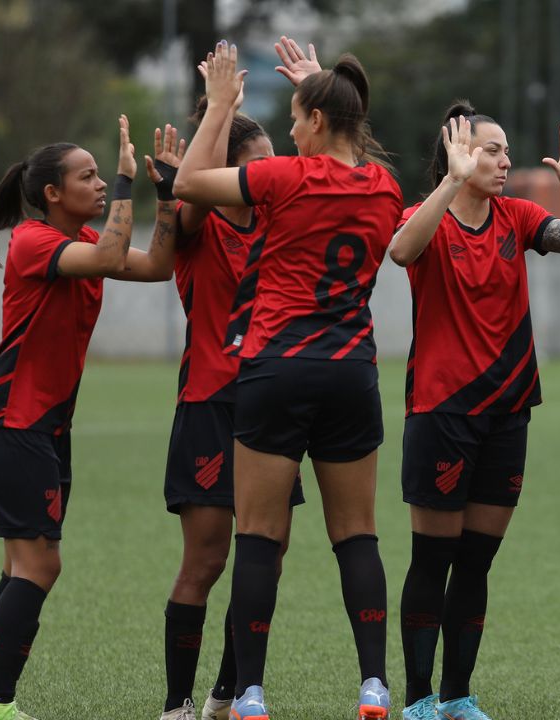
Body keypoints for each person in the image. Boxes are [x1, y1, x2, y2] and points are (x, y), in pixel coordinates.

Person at [172, 41, 403, 720]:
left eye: (300, 119)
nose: (293, 133)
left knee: (259, 537)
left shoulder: (281, 179)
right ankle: (373, 685)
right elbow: (357, 148)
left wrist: (218, 108)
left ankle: (248, 694)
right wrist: (321, 87)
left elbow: (186, 184)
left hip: (276, 368)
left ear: (319, 123)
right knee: (356, 534)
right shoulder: (384, 187)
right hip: (351, 371)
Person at [387, 101, 560, 720]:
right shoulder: (425, 218)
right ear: (456, 154)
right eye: (492, 150)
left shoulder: (518, 216)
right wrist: (451, 183)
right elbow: (401, 252)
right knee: (432, 560)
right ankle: (420, 700)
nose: (505, 161)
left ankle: (457, 696)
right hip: (441, 412)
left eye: (506, 150)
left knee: (476, 562)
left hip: (508, 411)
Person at [0, 116, 178, 720]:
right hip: (12, 418)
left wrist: (165, 191)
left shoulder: (79, 248)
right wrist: (130, 182)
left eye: (100, 176)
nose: (101, 184)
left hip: (45, 425)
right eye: (88, 177)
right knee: (39, 563)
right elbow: (113, 254)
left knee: (21, 564)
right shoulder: (34, 241)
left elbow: (159, 265)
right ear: (53, 194)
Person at [154, 101, 307, 719]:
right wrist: (216, 114)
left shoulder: (281, 223)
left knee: (267, 555)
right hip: (211, 404)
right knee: (209, 558)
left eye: (276, 159)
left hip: (272, 403)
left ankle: (228, 693)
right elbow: (185, 201)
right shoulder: (200, 220)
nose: (272, 172)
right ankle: (177, 704)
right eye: (259, 163)